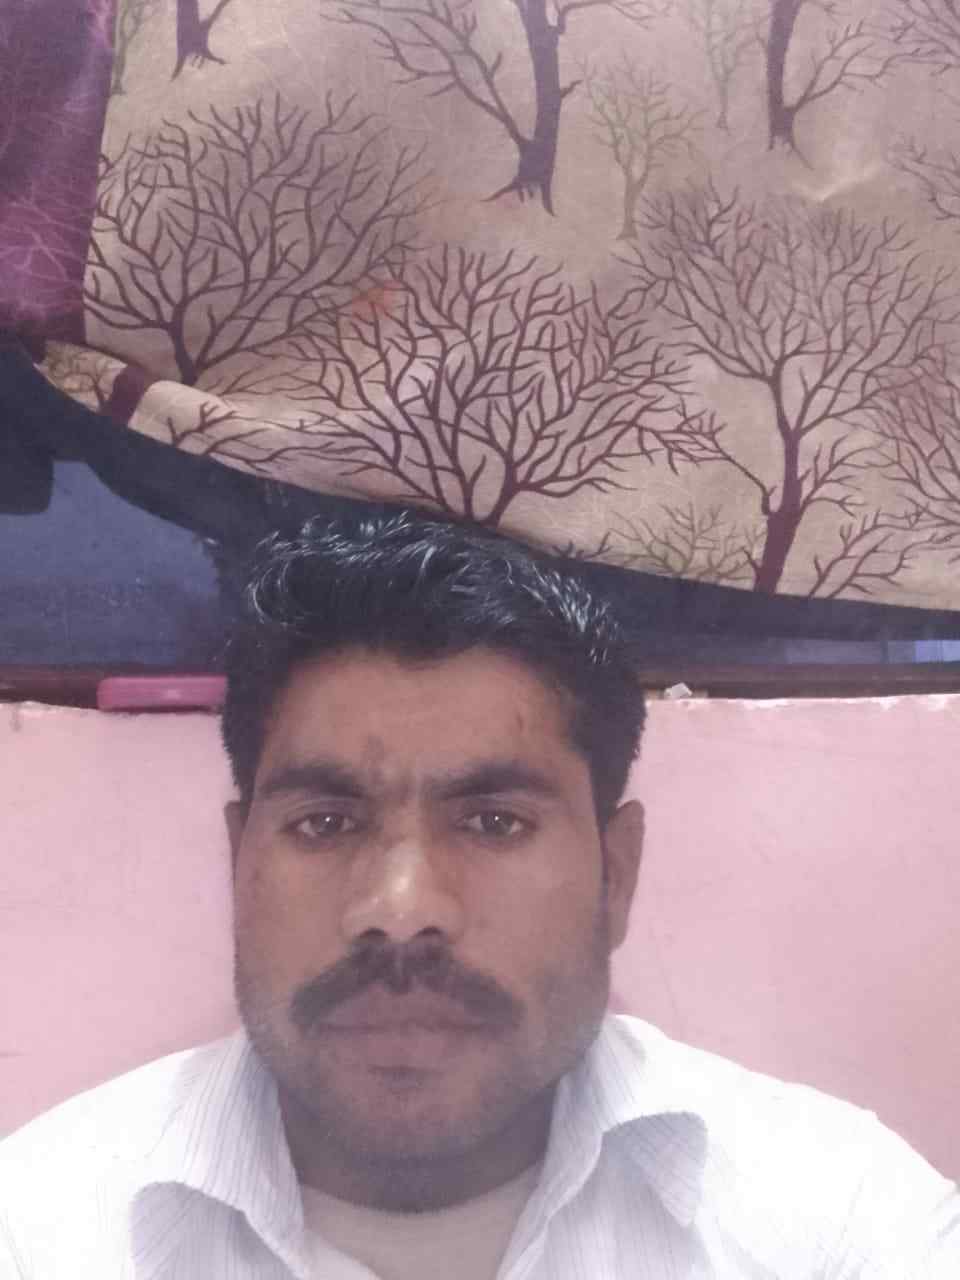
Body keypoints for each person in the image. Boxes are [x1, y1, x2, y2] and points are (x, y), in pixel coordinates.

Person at [0, 512, 956, 1279]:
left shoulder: (839, 1220)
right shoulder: (41, 1231)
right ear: (235, 863)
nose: (401, 906)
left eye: (494, 822)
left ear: (616, 875)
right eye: (325, 822)